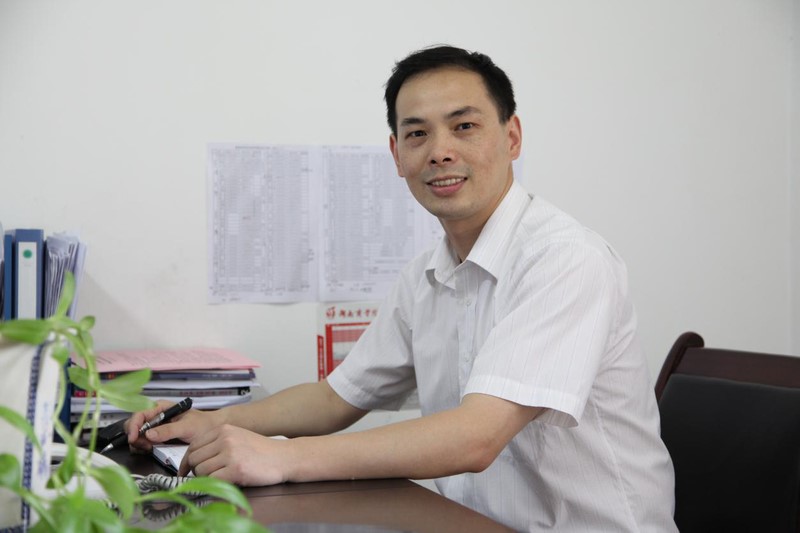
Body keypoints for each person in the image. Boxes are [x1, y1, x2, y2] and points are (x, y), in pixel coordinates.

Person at [127, 45, 677, 531]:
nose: (439, 151)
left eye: (464, 126)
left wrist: (282, 458)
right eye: (417, 134)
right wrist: (213, 422)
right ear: (396, 155)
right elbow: (335, 399)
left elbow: (477, 437)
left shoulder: (564, 259)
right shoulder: (426, 275)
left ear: (512, 137)